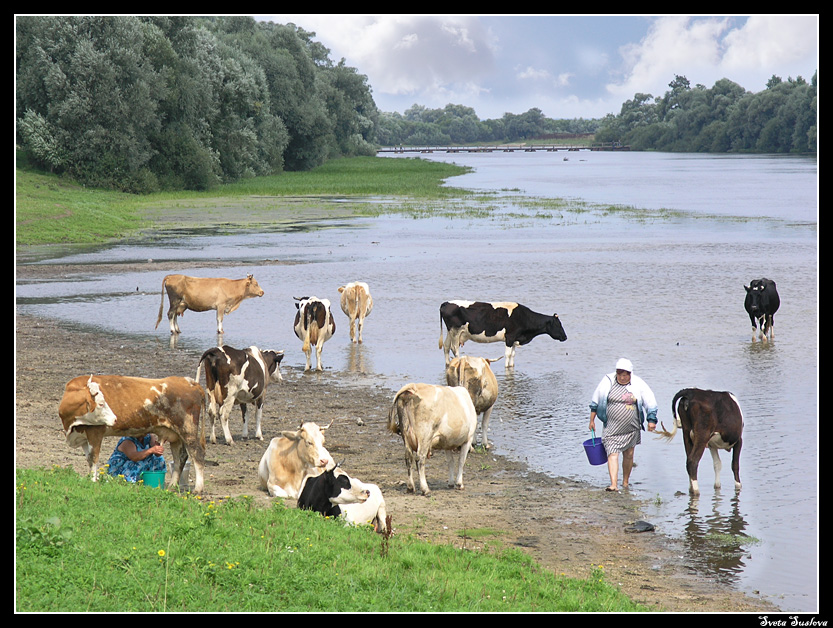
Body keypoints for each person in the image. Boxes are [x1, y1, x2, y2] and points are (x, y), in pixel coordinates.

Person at [588, 358, 658, 492]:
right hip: (612, 427)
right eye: (619, 374)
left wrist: (651, 420)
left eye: (625, 375)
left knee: (629, 454)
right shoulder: (607, 381)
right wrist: (592, 421)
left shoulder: (638, 383)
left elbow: (650, 402)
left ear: (630, 374)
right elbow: (596, 401)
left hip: (631, 427)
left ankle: (625, 482)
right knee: (612, 453)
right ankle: (613, 484)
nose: (622, 377)